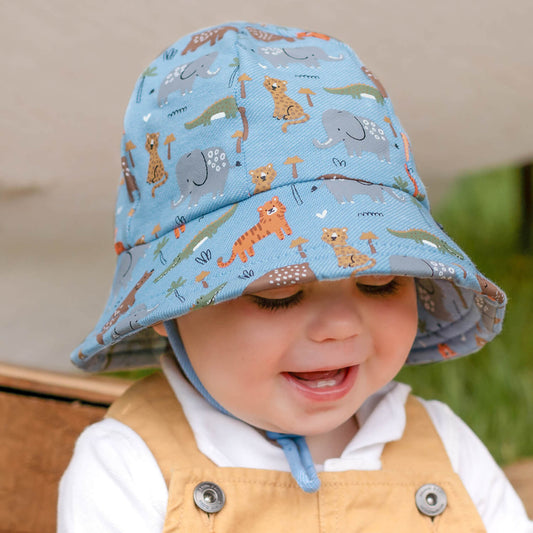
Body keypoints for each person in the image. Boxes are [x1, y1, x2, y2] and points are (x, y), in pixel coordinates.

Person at [58, 22, 532, 532]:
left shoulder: (445, 451)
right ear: (166, 304)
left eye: (380, 282)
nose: (340, 325)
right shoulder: (130, 466)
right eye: (279, 293)